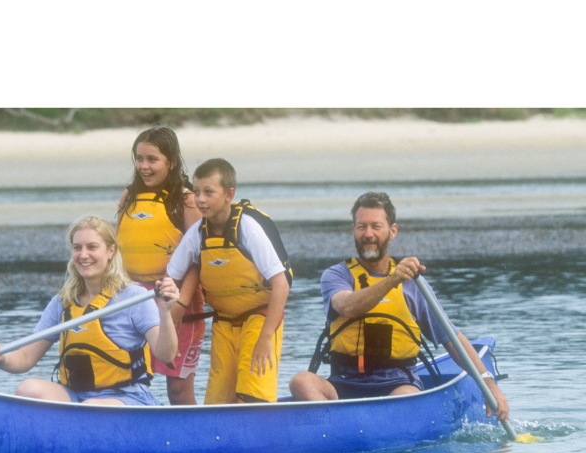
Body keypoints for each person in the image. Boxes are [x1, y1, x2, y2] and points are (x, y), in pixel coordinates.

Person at [289, 191, 510, 421]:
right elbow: (347, 307)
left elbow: (452, 339)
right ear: (353, 230)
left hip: (398, 383)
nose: (368, 234)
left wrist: (489, 385)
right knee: (301, 381)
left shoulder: (413, 284)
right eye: (361, 226)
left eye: (376, 226)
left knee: (405, 396)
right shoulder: (336, 275)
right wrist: (392, 280)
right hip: (344, 383)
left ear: (393, 231)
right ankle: (334, 427)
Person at [0, 214, 180, 406]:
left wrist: (164, 311)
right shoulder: (62, 302)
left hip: (127, 396)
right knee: (28, 389)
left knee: (92, 406)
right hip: (77, 397)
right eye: (77, 248)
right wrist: (0, 358)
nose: (83, 255)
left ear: (111, 251)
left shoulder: (134, 297)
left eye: (92, 247)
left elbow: (166, 355)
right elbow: (25, 358)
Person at [166, 158, 291, 405]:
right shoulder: (196, 234)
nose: (200, 199)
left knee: (253, 394)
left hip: (260, 319)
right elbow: (171, 278)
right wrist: (173, 315)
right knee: (217, 402)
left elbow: (281, 283)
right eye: (196, 192)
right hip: (223, 322)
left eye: (209, 192)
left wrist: (266, 336)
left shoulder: (248, 228)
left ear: (229, 194)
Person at [116, 126, 205, 405]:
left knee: (177, 390)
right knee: (125, 380)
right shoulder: (128, 196)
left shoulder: (187, 200)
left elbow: (197, 263)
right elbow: (114, 254)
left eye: (152, 159)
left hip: (174, 297)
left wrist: (179, 305)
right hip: (131, 299)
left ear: (172, 161)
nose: (144, 166)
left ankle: (191, 443)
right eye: (139, 158)